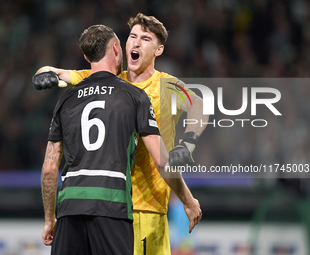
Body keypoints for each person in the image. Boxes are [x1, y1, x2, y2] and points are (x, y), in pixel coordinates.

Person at [34, 13, 206, 255]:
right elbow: (55, 72)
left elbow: (199, 105)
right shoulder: (112, 80)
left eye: (145, 39)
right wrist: (43, 73)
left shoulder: (167, 86)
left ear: (158, 50)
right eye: (132, 36)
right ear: (122, 45)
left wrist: (187, 143)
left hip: (147, 209)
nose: (136, 43)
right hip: (113, 207)